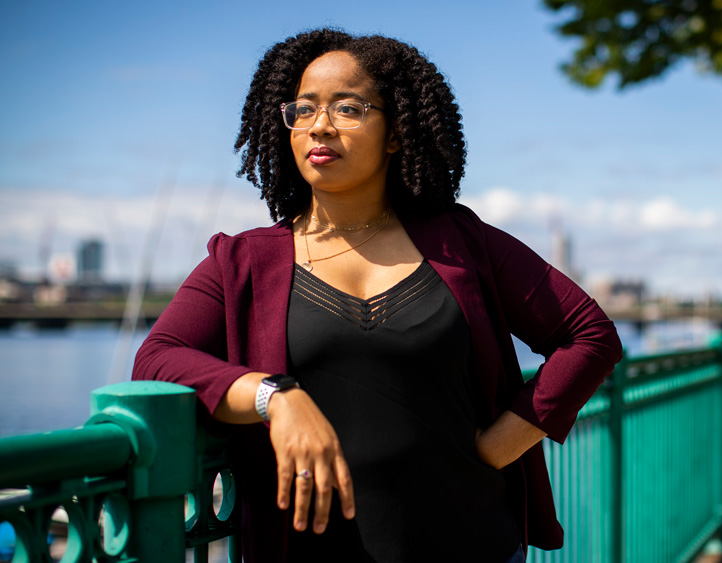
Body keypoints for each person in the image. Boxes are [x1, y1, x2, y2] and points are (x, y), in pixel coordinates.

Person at [133, 28, 621, 562]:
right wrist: (275, 396)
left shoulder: (462, 244)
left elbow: (589, 336)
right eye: (303, 109)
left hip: (473, 545)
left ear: (395, 133)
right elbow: (157, 361)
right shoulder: (243, 261)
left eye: (348, 108)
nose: (320, 125)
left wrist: (498, 445)